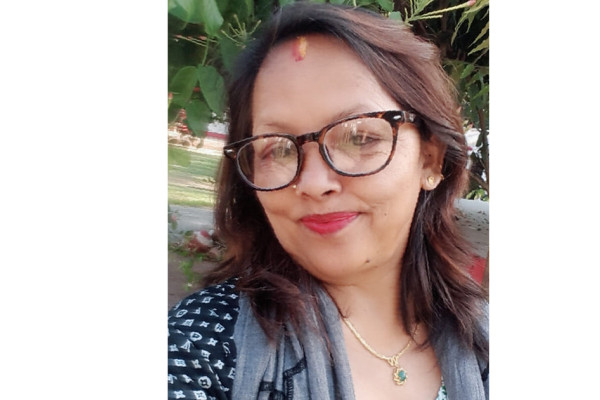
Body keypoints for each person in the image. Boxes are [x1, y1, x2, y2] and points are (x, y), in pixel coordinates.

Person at [168, 2, 488, 399]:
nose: (314, 183)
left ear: (431, 158)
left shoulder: (485, 339)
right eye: (277, 149)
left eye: (360, 137)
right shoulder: (203, 346)